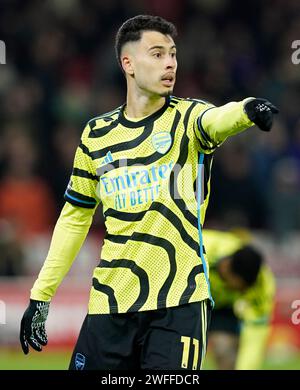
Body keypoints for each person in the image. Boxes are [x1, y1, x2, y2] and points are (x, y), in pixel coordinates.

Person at [19, 15, 278, 370]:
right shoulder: (97, 135)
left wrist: (248, 110)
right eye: (157, 54)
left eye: (173, 54)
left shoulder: (188, 119)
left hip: (179, 302)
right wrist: (41, 294)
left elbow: (219, 119)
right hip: (110, 303)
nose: (170, 62)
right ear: (128, 63)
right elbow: (75, 217)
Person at [203, 229, 276, 370]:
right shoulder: (202, 247)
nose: (243, 292)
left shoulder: (262, 284)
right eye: (240, 287)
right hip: (190, 298)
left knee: (225, 349)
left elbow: (256, 333)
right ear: (226, 269)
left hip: (224, 307)